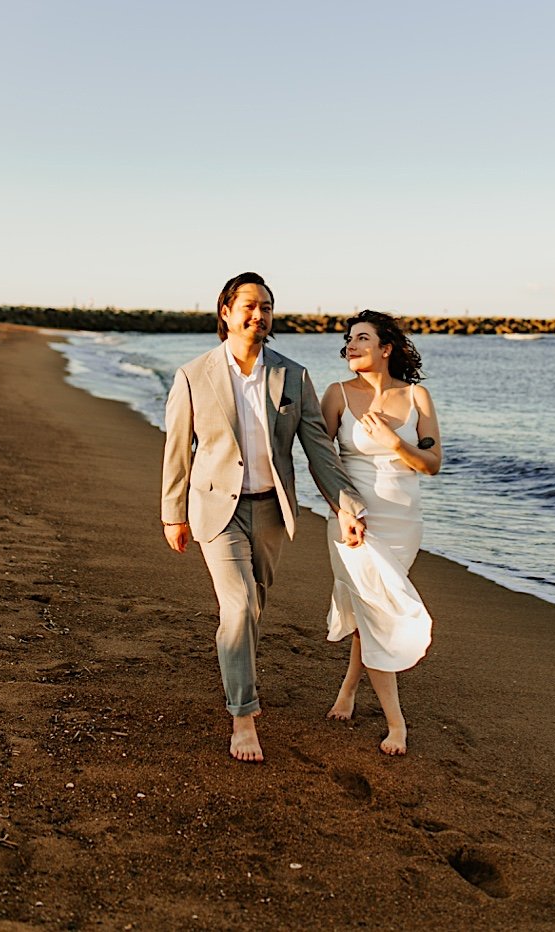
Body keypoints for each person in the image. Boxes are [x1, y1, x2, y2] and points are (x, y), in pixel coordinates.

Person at [161, 272, 368, 763]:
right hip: (216, 509)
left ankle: (240, 678)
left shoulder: (292, 376)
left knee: (252, 606)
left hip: (272, 513)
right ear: (226, 312)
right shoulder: (194, 375)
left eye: (268, 308)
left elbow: (318, 449)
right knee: (236, 607)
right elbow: (177, 450)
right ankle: (243, 716)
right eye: (250, 306)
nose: (259, 315)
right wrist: (173, 513)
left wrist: (345, 504)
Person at [321, 311, 442, 756]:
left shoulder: (417, 398)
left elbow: (432, 465)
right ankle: (396, 722)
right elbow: (322, 459)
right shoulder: (336, 395)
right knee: (377, 612)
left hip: (403, 523)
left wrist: (395, 444)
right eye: (349, 340)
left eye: (362, 339)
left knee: (372, 612)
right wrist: (341, 507)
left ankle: (349, 691)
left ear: (386, 348)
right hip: (354, 520)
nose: (351, 346)